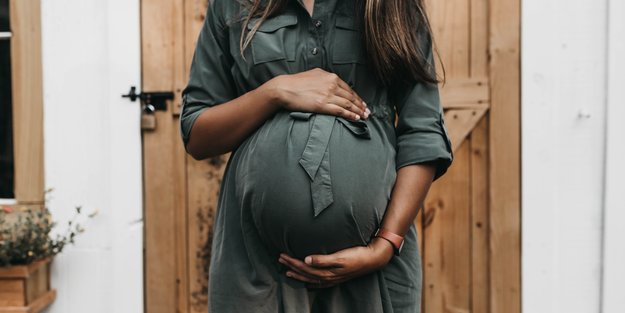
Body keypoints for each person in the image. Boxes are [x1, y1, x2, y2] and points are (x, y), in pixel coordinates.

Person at [179, 0, 453, 312]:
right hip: (257, 270)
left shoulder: (393, 5)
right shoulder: (232, 5)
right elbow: (197, 135)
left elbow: (424, 131)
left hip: (373, 271)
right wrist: (275, 92)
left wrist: (385, 244)